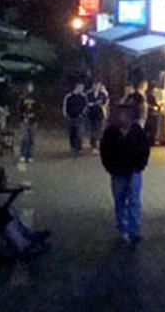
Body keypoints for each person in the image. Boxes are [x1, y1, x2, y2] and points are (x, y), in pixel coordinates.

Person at [100, 104, 150, 244]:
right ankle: (123, 229)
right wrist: (110, 167)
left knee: (134, 201)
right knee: (120, 201)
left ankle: (134, 230)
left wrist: (140, 166)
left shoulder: (137, 131)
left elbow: (145, 149)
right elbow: (105, 151)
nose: (124, 118)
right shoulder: (111, 133)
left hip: (134, 171)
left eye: (126, 115)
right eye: (121, 115)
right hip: (118, 172)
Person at [63, 83, 88, 154]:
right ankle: (73, 147)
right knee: (72, 132)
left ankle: (79, 148)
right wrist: (66, 115)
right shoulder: (69, 96)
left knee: (79, 132)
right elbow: (65, 106)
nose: (82, 89)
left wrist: (82, 114)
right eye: (81, 88)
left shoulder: (83, 96)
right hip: (70, 117)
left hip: (80, 117)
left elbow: (85, 106)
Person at [86, 80, 109, 153]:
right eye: (95, 85)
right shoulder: (88, 94)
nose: (96, 87)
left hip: (100, 113)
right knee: (92, 129)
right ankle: (93, 145)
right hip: (92, 114)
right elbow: (86, 102)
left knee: (100, 129)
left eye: (98, 85)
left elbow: (105, 102)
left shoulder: (103, 94)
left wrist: (101, 104)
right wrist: (92, 104)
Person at [19, 81, 39, 162]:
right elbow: (19, 109)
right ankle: (23, 154)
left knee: (32, 139)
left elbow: (39, 108)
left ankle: (30, 155)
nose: (30, 88)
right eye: (29, 86)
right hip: (24, 121)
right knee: (25, 138)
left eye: (31, 86)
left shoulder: (36, 97)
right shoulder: (22, 97)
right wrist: (23, 116)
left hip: (33, 121)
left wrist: (35, 115)